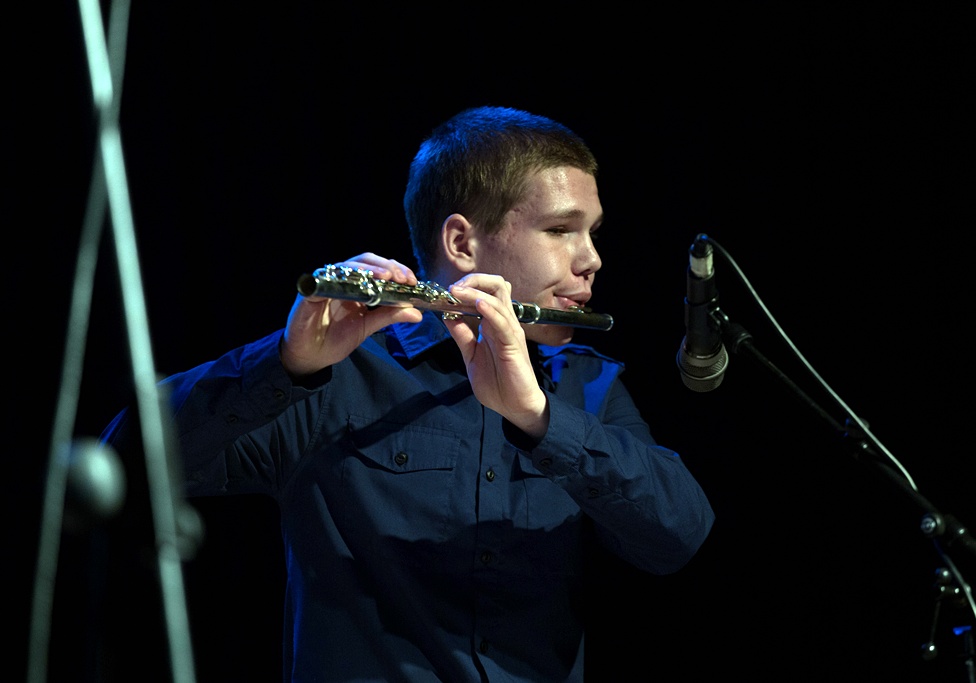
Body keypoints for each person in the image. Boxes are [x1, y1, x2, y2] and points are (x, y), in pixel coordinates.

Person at [101, 105, 715, 682]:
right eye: (560, 230)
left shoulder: (587, 384)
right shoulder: (337, 373)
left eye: (593, 232)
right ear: (461, 244)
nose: (592, 260)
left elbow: (679, 536)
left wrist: (539, 417)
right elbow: (124, 464)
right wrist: (284, 364)